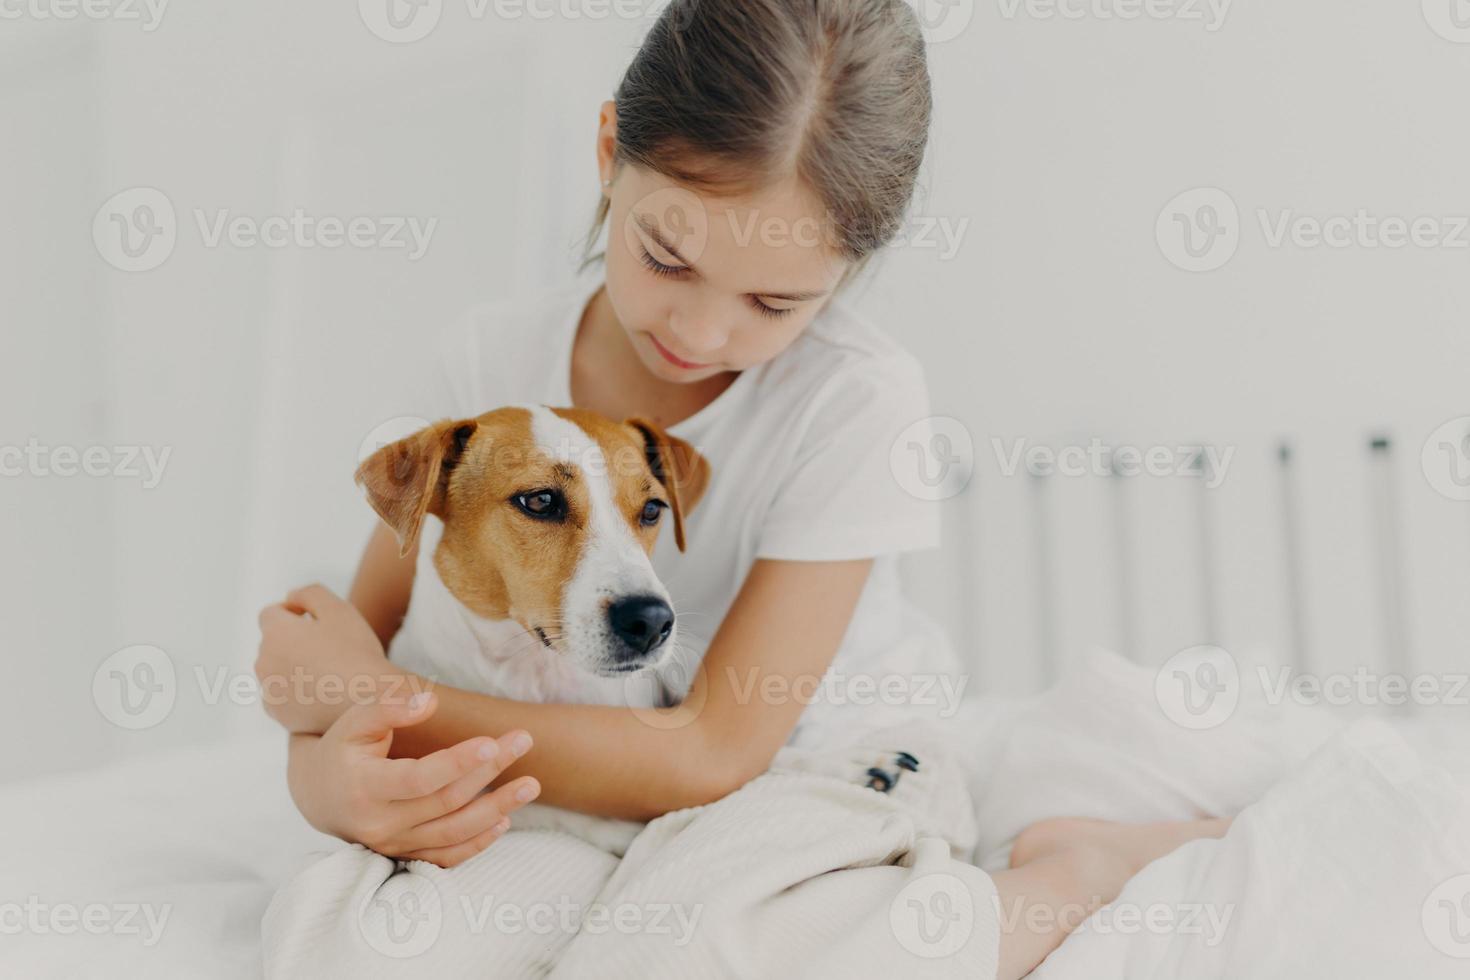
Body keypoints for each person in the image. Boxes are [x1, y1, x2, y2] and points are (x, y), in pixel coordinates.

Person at [255, 2, 1228, 975]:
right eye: (666, 257)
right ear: (608, 154)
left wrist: (373, 698)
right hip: (578, 791)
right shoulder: (485, 363)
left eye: (774, 301)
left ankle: (1067, 871)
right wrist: (323, 779)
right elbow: (340, 666)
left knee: (709, 949)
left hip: (822, 761)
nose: (704, 332)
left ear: (851, 268)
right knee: (358, 942)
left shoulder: (853, 398)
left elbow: (712, 752)